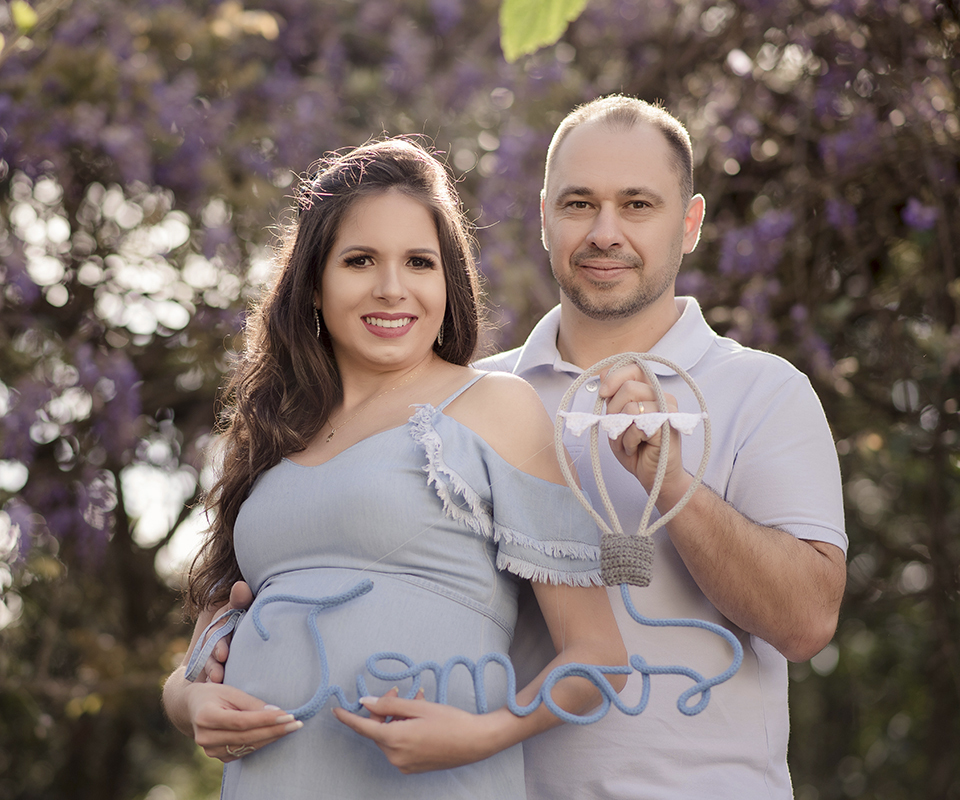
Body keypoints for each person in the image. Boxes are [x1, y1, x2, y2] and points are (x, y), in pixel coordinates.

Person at [351, 96, 849, 797]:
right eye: (580, 204)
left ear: (691, 223)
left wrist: (672, 482)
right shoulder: (465, 400)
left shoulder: (765, 391)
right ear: (545, 216)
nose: (604, 233)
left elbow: (805, 624)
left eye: (638, 205)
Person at [161, 137, 628, 799]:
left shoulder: (496, 409)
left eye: (418, 262)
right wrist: (191, 705)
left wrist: (484, 733)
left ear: (448, 282)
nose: (392, 288)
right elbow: (195, 662)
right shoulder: (270, 435)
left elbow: (601, 658)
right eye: (359, 260)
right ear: (315, 284)